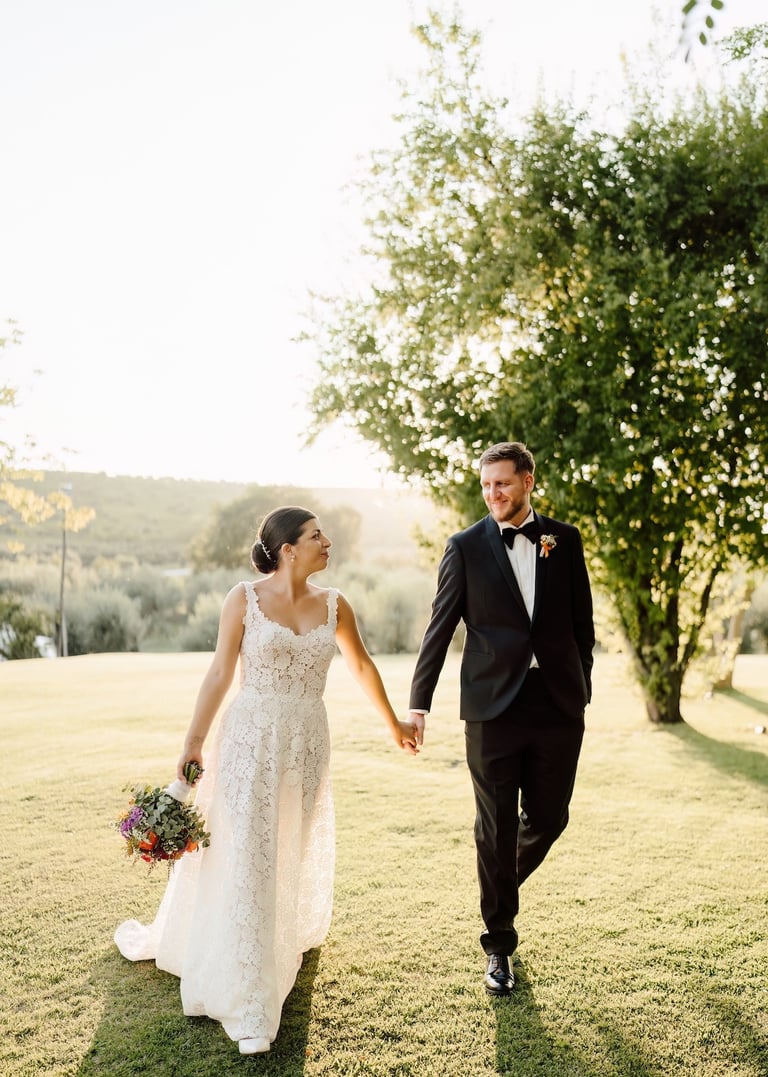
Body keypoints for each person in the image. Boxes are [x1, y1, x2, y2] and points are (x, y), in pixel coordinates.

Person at [115, 506, 418, 1054]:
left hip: (307, 744)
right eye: (316, 535)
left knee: (287, 849)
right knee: (248, 852)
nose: (327, 541)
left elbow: (363, 666)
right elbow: (219, 672)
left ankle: (275, 943)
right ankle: (250, 998)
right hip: (249, 741)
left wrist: (393, 721)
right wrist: (192, 742)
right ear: (288, 550)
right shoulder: (244, 599)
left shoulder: (336, 604)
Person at [408, 442, 594, 996]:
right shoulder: (464, 548)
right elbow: (439, 629)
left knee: (551, 817)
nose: (494, 494)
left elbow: (582, 622)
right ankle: (499, 947)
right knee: (495, 827)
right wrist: (419, 703)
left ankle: (499, 881)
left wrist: (581, 681)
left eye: (503, 484)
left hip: (558, 704)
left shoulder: (565, 540)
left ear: (528, 481)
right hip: (491, 710)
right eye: (487, 485)